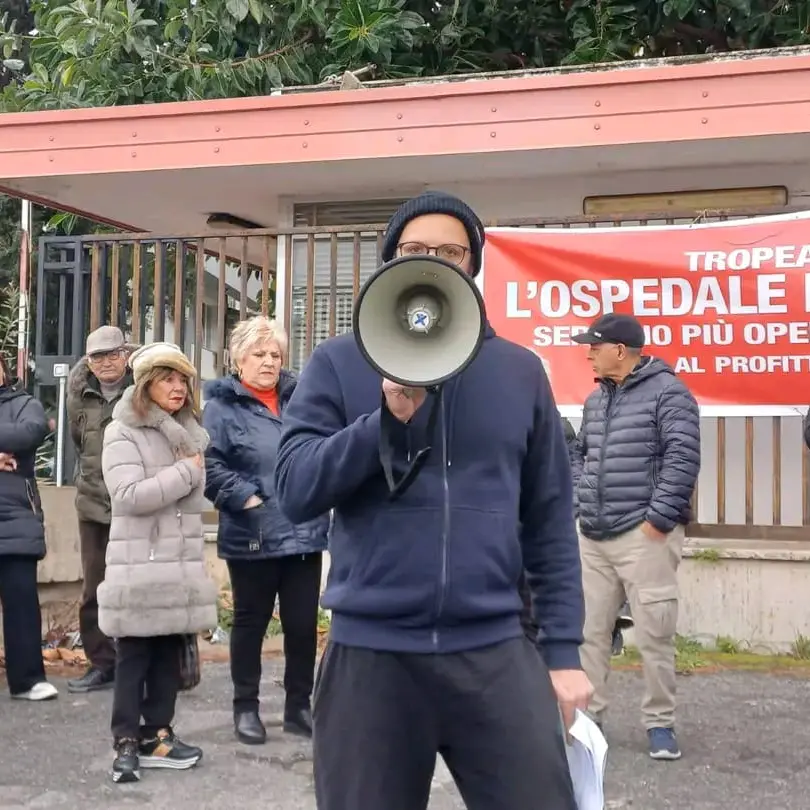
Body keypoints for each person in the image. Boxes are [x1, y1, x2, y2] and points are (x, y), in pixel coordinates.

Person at [275, 191, 592, 810]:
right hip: (372, 655)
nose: (433, 261)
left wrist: (562, 652)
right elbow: (295, 489)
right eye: (416, 249)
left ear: (472, 265)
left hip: (495, 649)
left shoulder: (519, 372)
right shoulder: (338, 362)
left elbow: (549, 521)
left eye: (452, 251)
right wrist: (383, 422)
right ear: (391, 259)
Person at [570, 312, 700, 761]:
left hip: (644, 537)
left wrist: (658, 520)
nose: (589, 353)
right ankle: (588, 722)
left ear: (620, 351)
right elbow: (580, 455)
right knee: (589, 631)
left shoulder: (669, 393)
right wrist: (579, 502)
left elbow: (683, 458)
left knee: (654, 633)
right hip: (593, 534)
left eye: (595, 346)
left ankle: (660, 723)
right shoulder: (595, 400)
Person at [203, 316, 329, 744]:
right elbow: (208, 464)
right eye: (259, 354)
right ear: (238, 359)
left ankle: (298, 707)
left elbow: (319, 449)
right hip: (252, 530)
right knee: (250, 624)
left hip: (303, 530)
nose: (269, 361)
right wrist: (246, 498)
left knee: (302, 626)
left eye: (275, 354)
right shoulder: (221, 408)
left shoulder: (301, 400)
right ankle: (246, 708)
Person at [99, 342, 218, 784]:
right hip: (139, 561)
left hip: (178, 561)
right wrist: (187, 471)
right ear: (146, 384)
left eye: (183, 379)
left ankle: (158, 735)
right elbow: (128, 495)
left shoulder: (188, 433)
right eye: (168, 378)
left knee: (169, 650)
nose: (178, 387)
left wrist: (190, 470)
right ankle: (126, 742)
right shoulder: (121, 431)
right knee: (134, 655)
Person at [66, 325, 134, 694]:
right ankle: (102, 663)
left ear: (125, 354)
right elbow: (79, 443)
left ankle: (145, 663)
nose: (106, 362)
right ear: (89, 362)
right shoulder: (78, 395)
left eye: (112, 354)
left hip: (135, 504)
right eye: (97, 357)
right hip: (92, 504)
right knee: (94, 589)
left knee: (139, 587)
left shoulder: (142, 388)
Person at [0, 352, 57, 701]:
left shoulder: (25, 404)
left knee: (21, 600)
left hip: (15, 517)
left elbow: (30, 433)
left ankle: (28, 680)